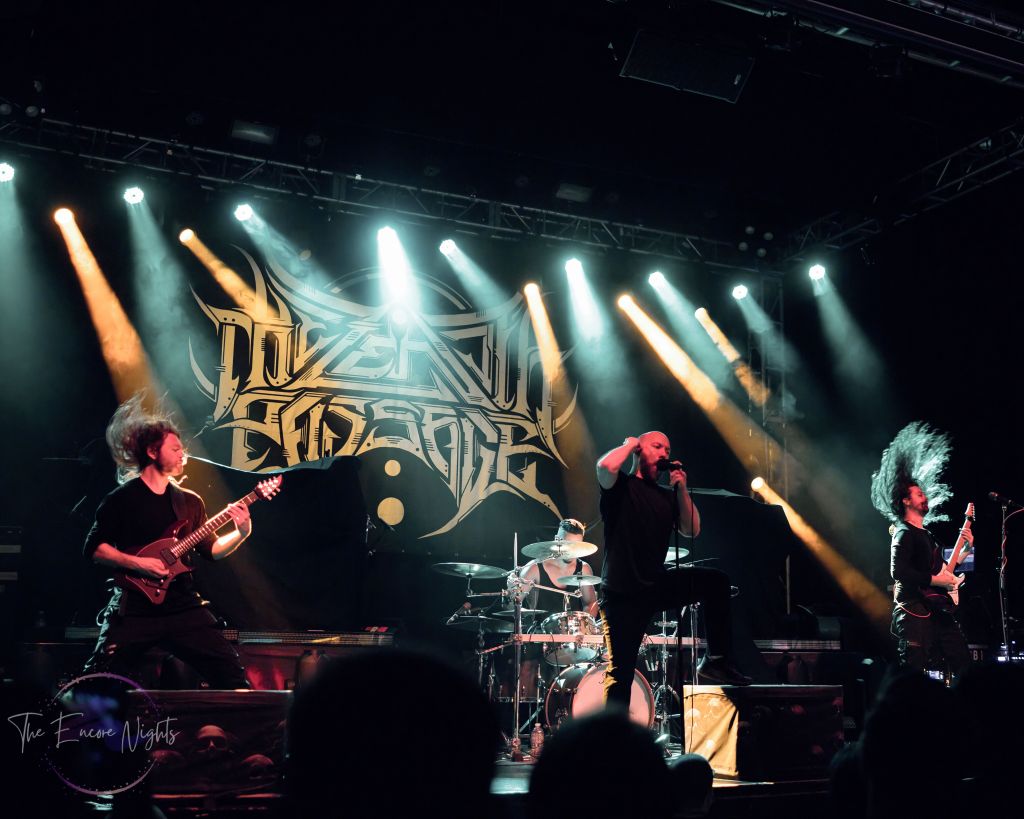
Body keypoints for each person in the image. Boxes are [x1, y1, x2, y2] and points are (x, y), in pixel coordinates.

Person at [82, 394, 252, 688]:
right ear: (152, 452)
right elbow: (94, 549)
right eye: (174, 448)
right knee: (99, 680)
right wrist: (140, 564)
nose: (182, 453)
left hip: (182, 608)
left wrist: (241, 532)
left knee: (232, 676)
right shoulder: (121, 499)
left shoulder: (190, 502)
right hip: (134, 609)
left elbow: (211, 550)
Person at [596, 432, 750, 711]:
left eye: (667, 449)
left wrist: (681, 489)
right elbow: (605, 466)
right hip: (621, 594)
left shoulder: (667, 496)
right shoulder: (621, 486)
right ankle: (613, 733)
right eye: (657, 447)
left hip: (654, 585)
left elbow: (692, 529)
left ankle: (715, 661)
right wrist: (629, 444)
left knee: (716, 581)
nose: (664, 453)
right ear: (639, 451)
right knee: (621, 674)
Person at [870, 421, 972, 677]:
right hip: (913, 610)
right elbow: (898, 572)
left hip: (936, 607)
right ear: (906, 501)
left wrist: (964, 551)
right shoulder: (904, 533)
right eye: (918, 495)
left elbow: (940, 569)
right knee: (912, 673)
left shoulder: (927, 535)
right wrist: (936, 580)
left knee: (962, 662)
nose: (925, 497)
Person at [518, 518, 599, 619]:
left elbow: (591, 603)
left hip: (574, 628)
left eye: (576, 545)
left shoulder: (584, 569)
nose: (572, 550)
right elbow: (513, 605)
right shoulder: (534, 568)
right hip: (540, 629)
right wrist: (511, 594)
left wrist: (584, 625)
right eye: (568, 544)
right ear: (557, 540)